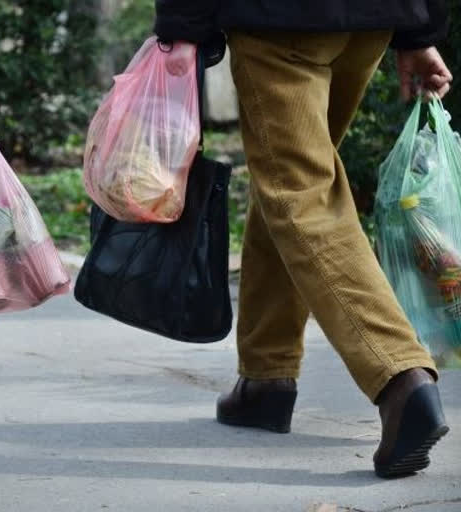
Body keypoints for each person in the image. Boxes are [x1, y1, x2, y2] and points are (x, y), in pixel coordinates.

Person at [154, 0, 452, 478]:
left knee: (300, 197)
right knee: (288, 181)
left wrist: (181, 28)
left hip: (281, 22)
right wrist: (420, 29)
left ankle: (399, 376)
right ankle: (265, 378)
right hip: (370, 21)